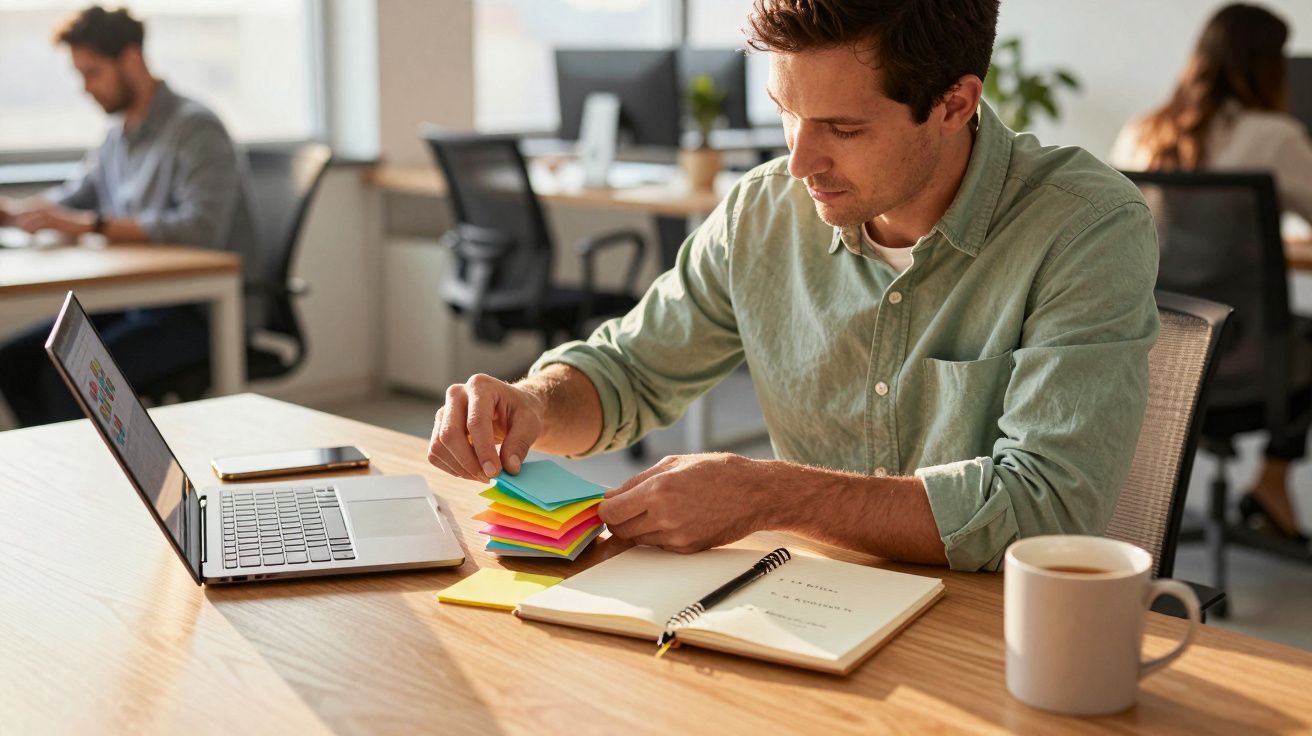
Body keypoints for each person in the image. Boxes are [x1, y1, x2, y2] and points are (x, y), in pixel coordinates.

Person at [428, 0, 1160, 571]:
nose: (801, 161)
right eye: (786, 115)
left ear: (953, 104)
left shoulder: (1086, 226)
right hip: (803, 601)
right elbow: (629, 372)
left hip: (986, 626)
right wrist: (531, 403)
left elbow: (1045, 507)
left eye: (842, 128)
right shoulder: (764, 208)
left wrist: (767, 494)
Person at [1111, 3, 1312, 545]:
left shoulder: (1142, 131)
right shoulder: (1275, 135)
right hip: (1242, 358)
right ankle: (1273, 477)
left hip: (1156, 352)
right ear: (1269, 66)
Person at [0, 5, 257, 427]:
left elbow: (201, 228)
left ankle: (92, 485)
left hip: (195, 311)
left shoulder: (196, 128)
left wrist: (90, 226)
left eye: (92, 73)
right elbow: (74, 198)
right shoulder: (118, 135)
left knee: (63, 380)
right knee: (12, 362)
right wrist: (16, 214)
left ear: (131, 59)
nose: (85, 88)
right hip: (135, 302)